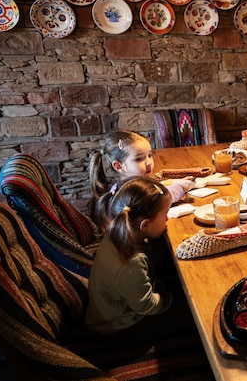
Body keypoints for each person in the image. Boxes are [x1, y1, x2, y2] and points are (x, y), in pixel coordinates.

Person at [86, 177, 195, 345]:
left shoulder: (118, 232)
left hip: (117, 311)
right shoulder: (131, 263)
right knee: (191, 314)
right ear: (144, 225)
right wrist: (169, 298)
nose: (167, 220)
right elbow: (146, 306)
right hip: (120, 329)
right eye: (165, 215)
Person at [89, 131, 196, 217]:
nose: (149, 162)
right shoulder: (127, 193)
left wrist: (175, 182)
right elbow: (158, 201)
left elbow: (154, 191)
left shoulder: (131, 183)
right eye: (139, 159)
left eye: (149, 155)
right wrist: (180, 188)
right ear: (119, 166)